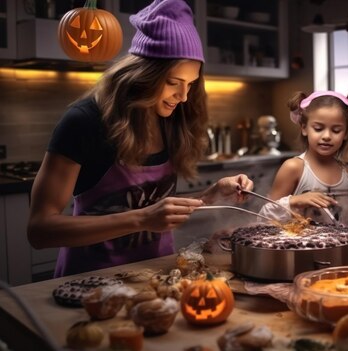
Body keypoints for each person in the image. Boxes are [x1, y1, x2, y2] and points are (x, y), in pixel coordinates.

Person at [27, 0, 253, 277]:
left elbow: (154, 208)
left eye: (190, 84)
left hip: (156, 278)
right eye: (173, 83)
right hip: (88, 283)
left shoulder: (171, 121)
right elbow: (40, 230)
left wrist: (209, 196)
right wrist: (142, 219)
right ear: (143, 74)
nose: (183, 97)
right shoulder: (84, 121)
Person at [259, 91, 348, 230]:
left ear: (346, 133)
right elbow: (265, 217)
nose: (326, 136)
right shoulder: (294, 168)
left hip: (339, 251)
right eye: (318, 128)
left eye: (336, 130)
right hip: (298, 250)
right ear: (304, 128)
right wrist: (295, 200)